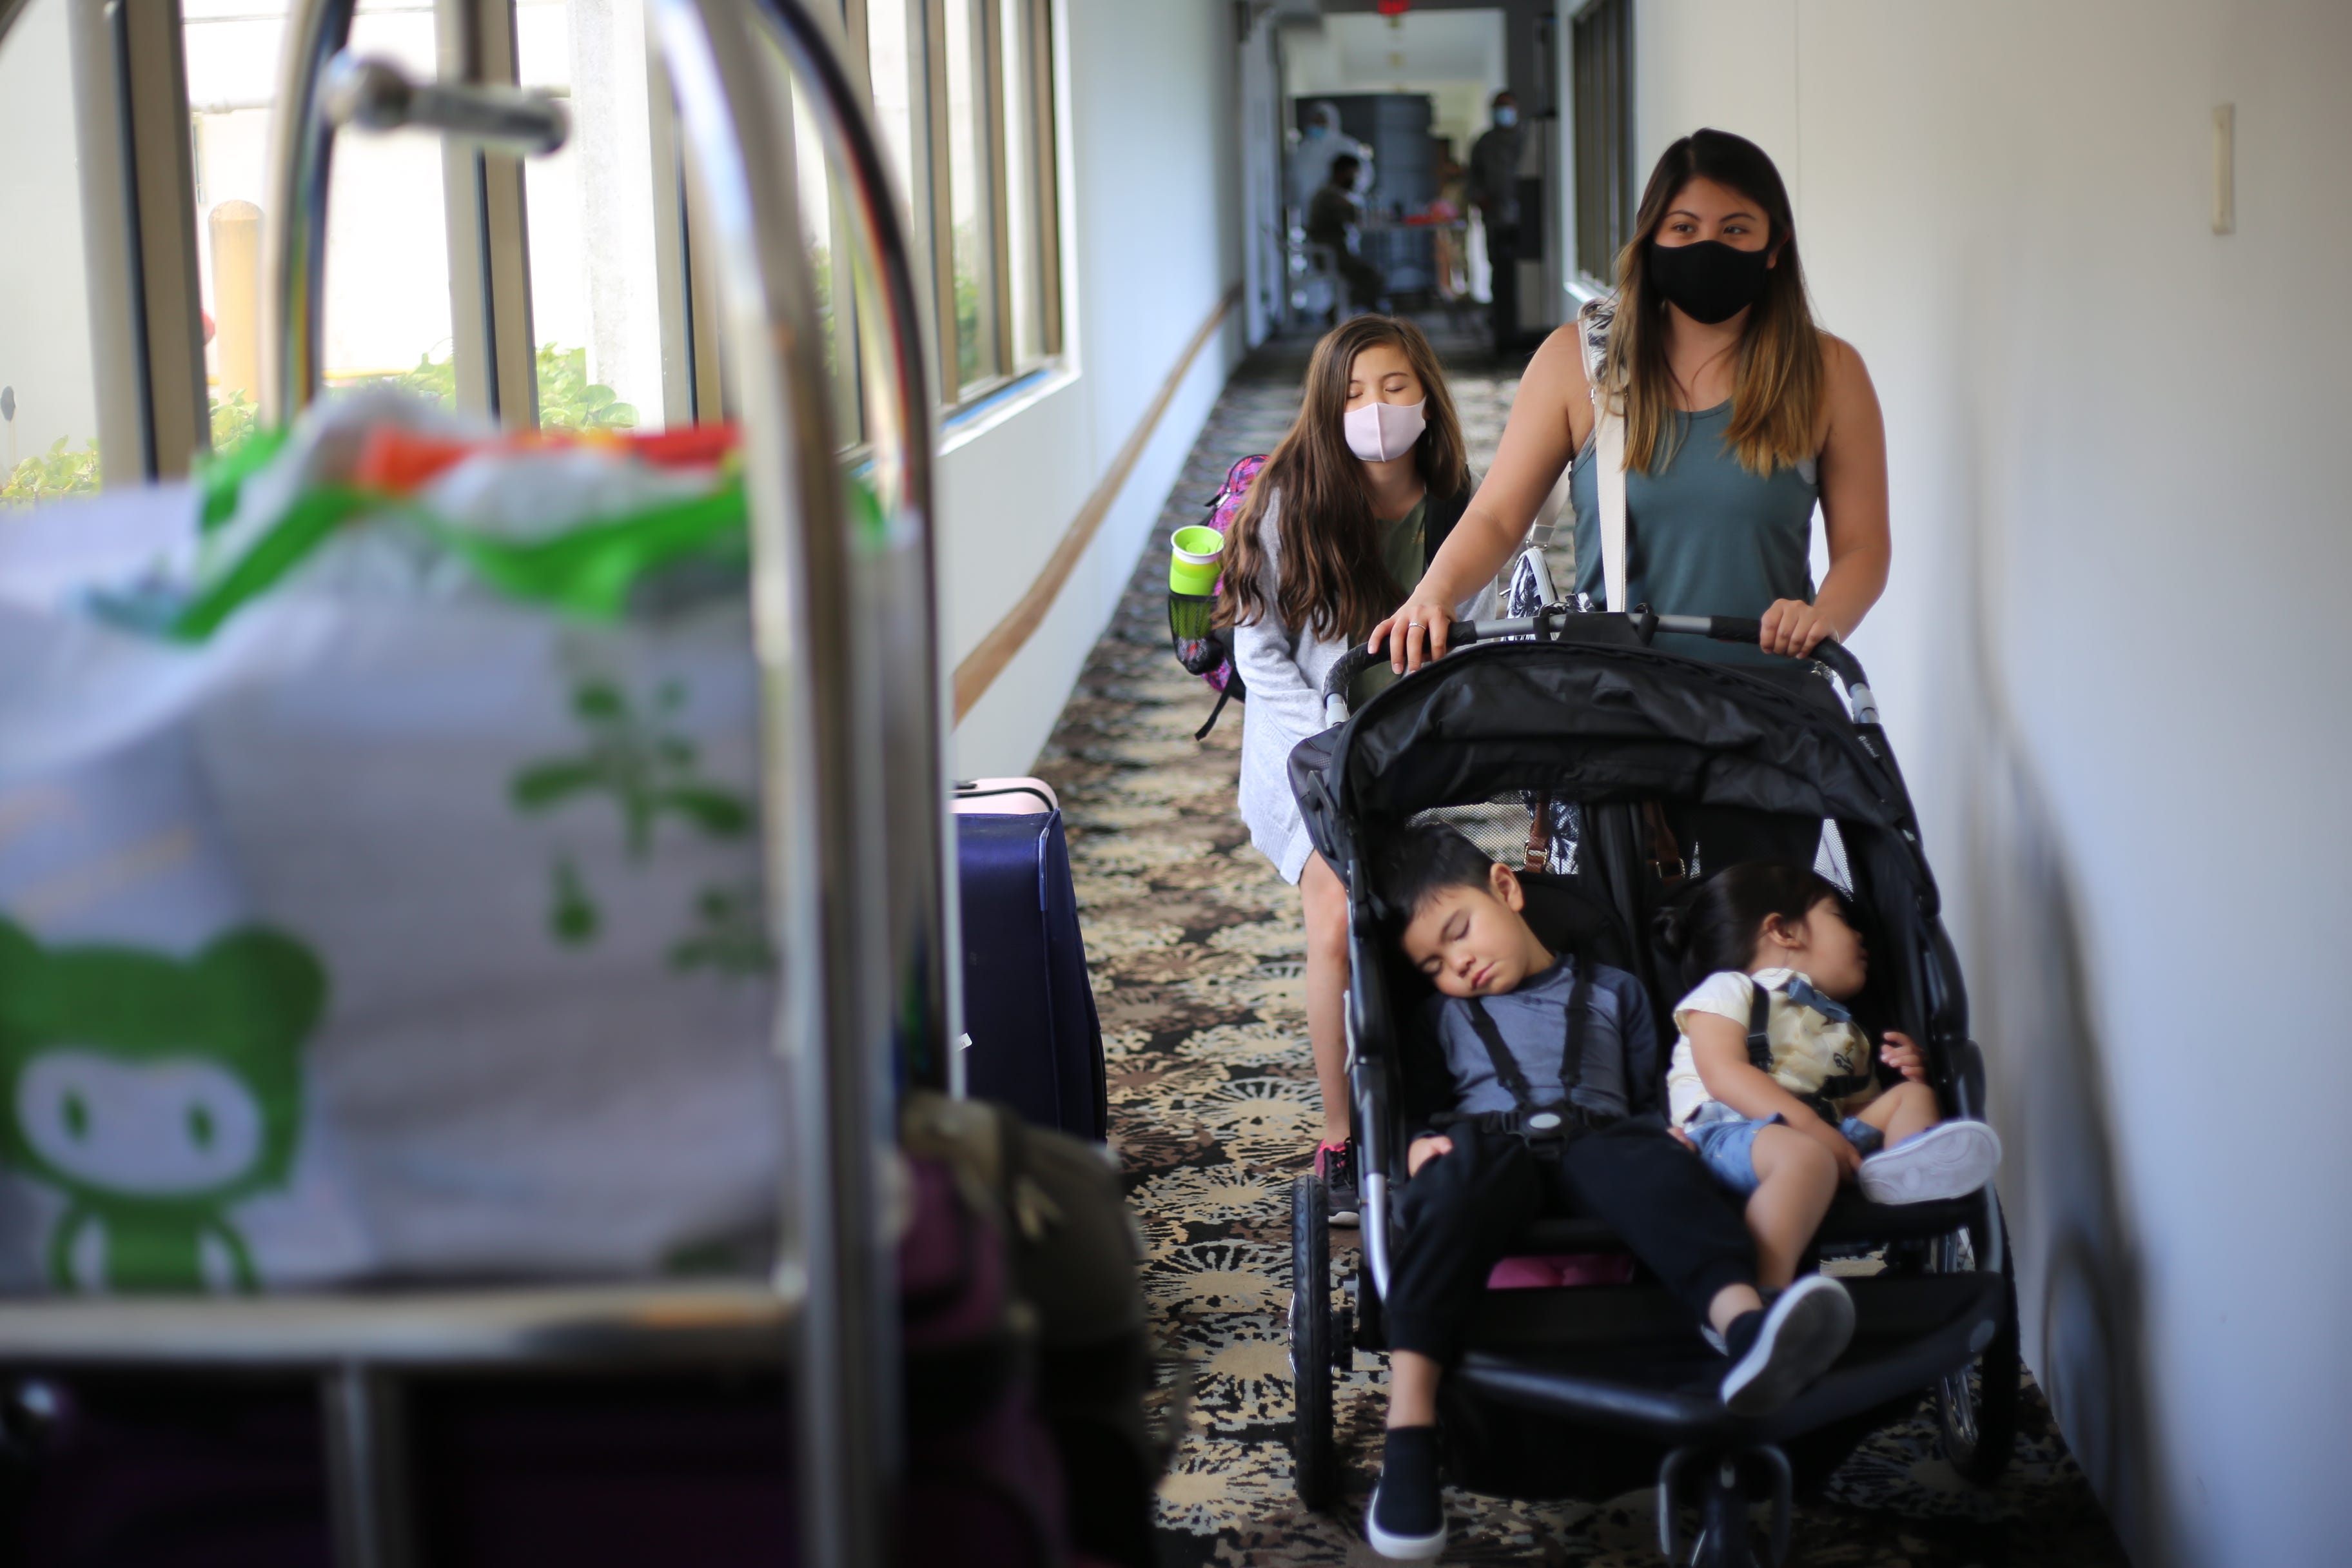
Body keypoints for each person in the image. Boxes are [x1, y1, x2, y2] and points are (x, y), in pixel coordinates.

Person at [1362, 823, 1857, 1562]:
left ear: (1506, 887)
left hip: (1600, 1133)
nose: (1457, 963)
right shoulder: (1439, 1017)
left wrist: (1667, 1133)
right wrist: (1414, 1142)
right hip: (1488, 1142)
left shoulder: (1616, 990)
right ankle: (1409, 1432)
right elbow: (1421, 1103)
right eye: (1433, 962)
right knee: (1450, 1187)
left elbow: (1642, 1091)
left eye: (1459, 932)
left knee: (1655, 1167)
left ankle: (1744, 1325)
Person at [1371, 126, 1891, 676]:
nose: (1707, 247)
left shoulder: (1828, 373)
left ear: (1774, 248)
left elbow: (1863, 547)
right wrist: (1435, 591)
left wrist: (1824, 619)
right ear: (1651, 240)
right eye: (1683, 227)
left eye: (1736, 229)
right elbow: (1499, 516)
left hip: (1767, 706)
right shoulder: (1573, 364)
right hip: (1621, 702)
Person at [1217, 317, 1480, 1224]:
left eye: (1396, 387)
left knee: (1428, 918)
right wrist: (1331, 754)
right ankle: (1341, 1132)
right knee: (1334, 921)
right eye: (1355, 393)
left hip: (1413, 755)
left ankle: (1436, 1090)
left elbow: (1478, 641)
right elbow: (1260, 657)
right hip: (1308, 760)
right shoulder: (1292, 502)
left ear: (1428, 397)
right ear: (1327, 408)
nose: (1375, 410)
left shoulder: (1455, 510)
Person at [1657, 863, 2004, 1289]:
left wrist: (1912, 1072)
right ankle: (1761, 1299)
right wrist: (1810, 1129)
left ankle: (1903, 1175)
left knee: (1911, 1097)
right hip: (1727, 1133)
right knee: (1807, 1158)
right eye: (1841, 918)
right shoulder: (1730, 990)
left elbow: (1857, 1108)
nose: (1861, 938)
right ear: (1784, 932)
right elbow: (1723, 1073)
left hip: (1825, 1142)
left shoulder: (1844, 1031)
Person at [1465, 91, 1524, 353]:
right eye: (1499, 108)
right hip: (1496, 221)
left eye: (1508, 107)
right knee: (1499, 275)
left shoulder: (1527, 139)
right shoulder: (1484, 143)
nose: (1504, 112)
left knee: (1523, 277)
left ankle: (1524, 332)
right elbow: (1473, 180)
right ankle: (1502, 334)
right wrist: (1480, 199)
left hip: (1525, 222)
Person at [1304, 155, 1386, 316]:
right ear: (1342, 173)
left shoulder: (1330, 193)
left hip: (1334, 252)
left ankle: (1339, 310)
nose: (1354, 179)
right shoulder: (1329, 196)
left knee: (1369, 276)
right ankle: (1349, 314)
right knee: (1373, 277)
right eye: (1353, 174)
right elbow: (1356, 215)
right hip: (1331, 255)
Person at [1286, 99, 1374, 217]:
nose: (1316, 125)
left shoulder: (1345, 145)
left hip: (1338, 209)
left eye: (1320, 121)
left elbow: (1361, 175)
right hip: (1310, 212)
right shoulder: (1304, 149)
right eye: (1314, 121)